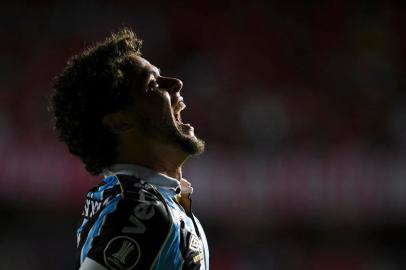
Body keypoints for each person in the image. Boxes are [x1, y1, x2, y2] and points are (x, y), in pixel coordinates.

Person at [49, 28, 209, 270]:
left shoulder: (160, 203)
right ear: (121, 122)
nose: (176, 83)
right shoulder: (142, 213)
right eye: (153, 85)